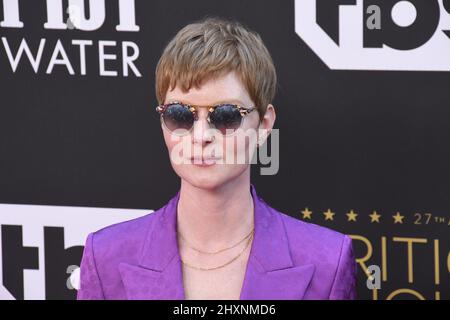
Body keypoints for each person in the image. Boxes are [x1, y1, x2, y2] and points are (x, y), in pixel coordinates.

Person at [77, 16, 357, 300]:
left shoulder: (328, 261)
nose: (201, 135)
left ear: (264, 125)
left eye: (226, 116)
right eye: (180, 115)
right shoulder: (106, 257)